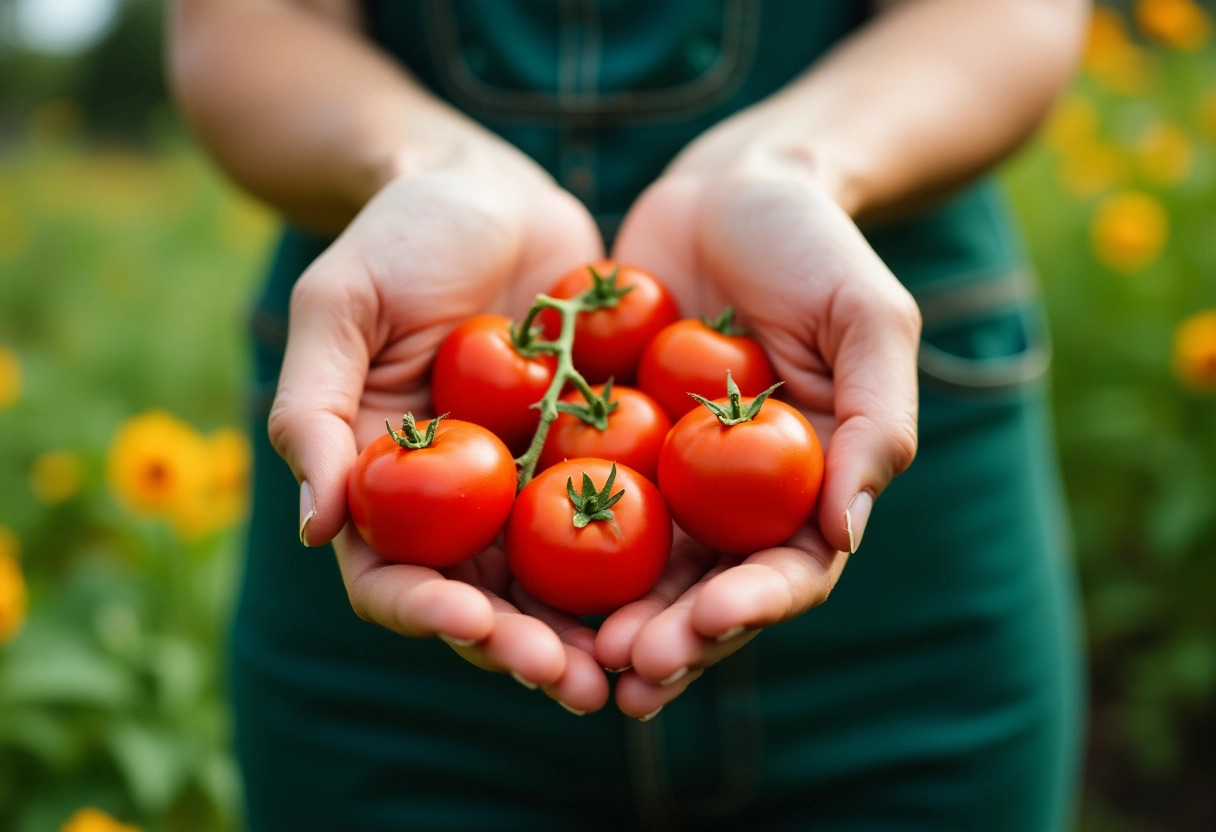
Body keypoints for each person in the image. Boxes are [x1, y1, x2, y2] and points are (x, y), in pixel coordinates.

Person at [168, 1, 1089, 829]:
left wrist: (795, 163)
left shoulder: (578, 443)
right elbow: (242, 29)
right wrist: (431, 165)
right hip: (392, 633)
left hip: (904, 564)